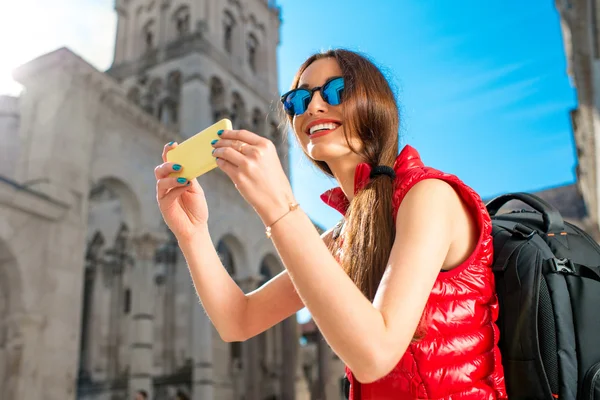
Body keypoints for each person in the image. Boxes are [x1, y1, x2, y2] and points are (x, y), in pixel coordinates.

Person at [154, 48, 507, 399]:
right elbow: (238, 320)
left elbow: (375, 354)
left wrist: (280, 206)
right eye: (298, 99)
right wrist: (192, 232)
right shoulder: (346, 235)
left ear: (375, 104)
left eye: (337, 90)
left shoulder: (429, 195)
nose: (313, 106)